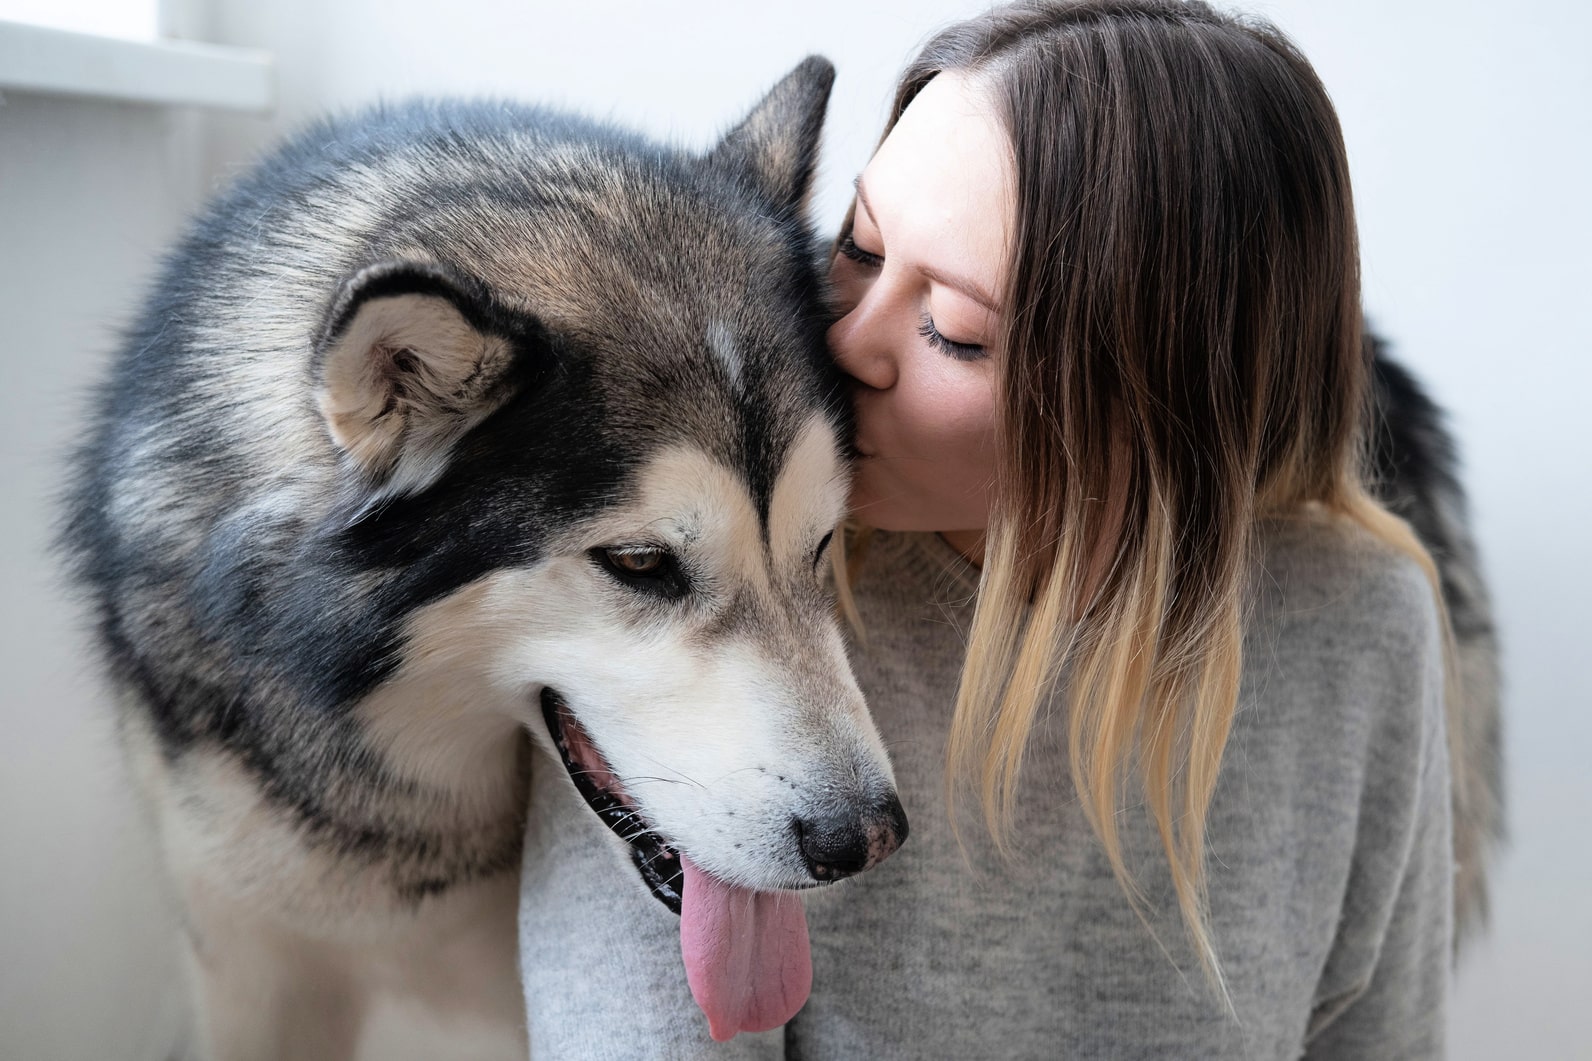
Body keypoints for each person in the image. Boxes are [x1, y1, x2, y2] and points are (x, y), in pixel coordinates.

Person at [519, 1, 1453, 1056]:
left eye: (953, 330)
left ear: (1161, 399)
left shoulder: (1360, 620)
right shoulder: (700, 591)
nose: (844, 344)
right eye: (859, 247)